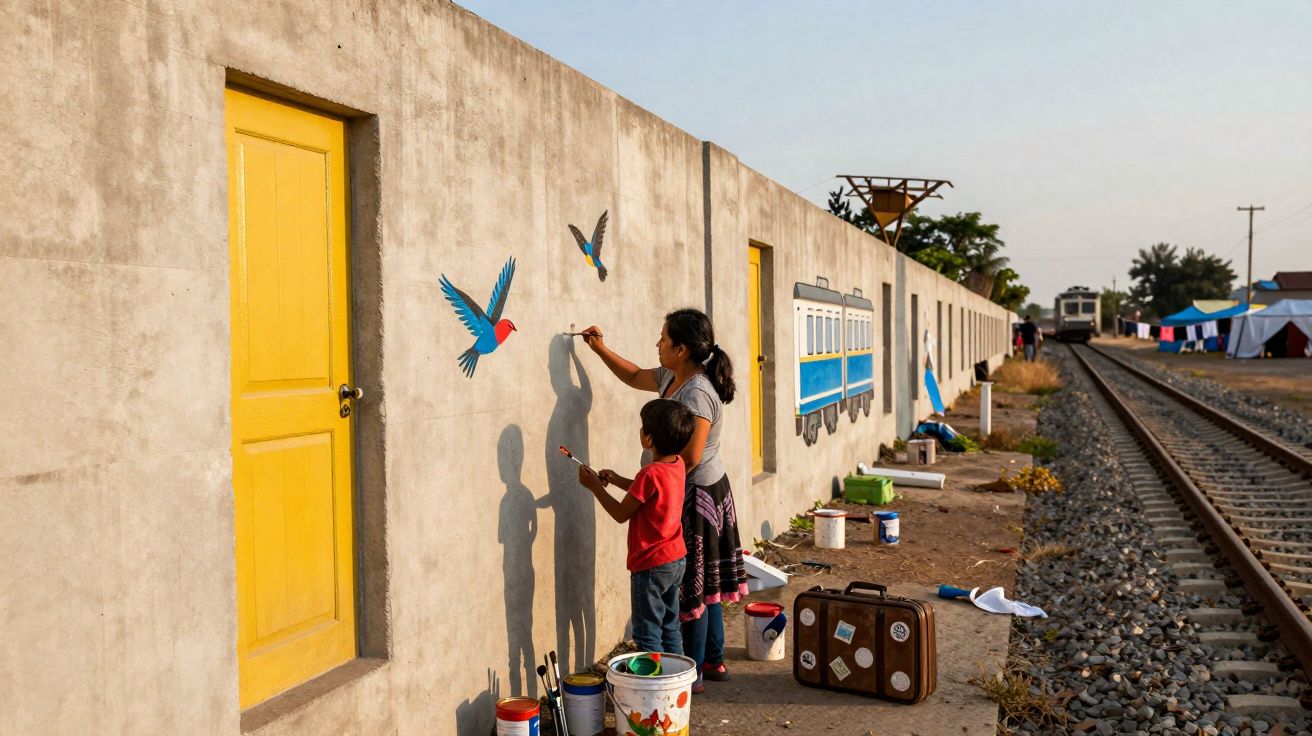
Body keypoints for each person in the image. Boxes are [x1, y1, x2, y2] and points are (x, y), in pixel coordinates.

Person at [580, 308, 748, 694]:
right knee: (698, 586)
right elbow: (634, 375)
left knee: (698, 588)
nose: (657, 344)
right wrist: (599, 348)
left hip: (696, 493)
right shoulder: (672, 377)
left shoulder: (698, 392)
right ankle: (706, 661)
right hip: (677, 490)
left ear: (682, 349)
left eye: (663, 339)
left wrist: (650, 488)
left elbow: (690, 458)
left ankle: (692, 673)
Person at [577, 399, 695, 655]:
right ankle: (676, 685)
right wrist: (617, 479)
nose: (640, 431)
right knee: (670, 626)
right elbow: (649, 493)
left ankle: (653, 690)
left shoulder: (649, 474)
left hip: (651, 566)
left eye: (643, 428)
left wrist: (594, 487)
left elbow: (621, 513)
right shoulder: (677, 465)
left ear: (649, 439)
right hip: (675, 560)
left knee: (647, 633)